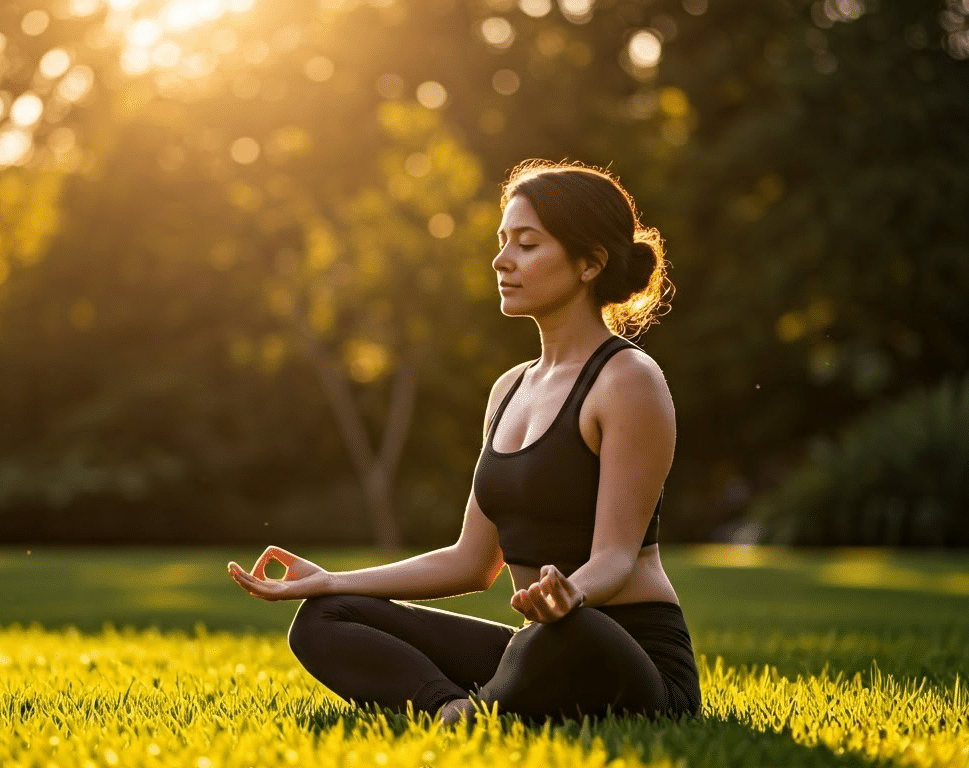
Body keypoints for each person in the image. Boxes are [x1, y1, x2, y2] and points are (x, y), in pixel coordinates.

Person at [227, 159, 700, 725]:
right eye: (502, 242)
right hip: (540, 644)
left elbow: (617, 558)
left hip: (622, 652)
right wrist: (332, 580)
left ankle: (490, 703)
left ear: (590, 263)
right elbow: (472, 562)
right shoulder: (508, 390)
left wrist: (569, 595)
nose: (501, 261)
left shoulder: (628, 380)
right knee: (325, 617)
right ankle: (451, 710)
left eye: (526, 244)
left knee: (556, 639)